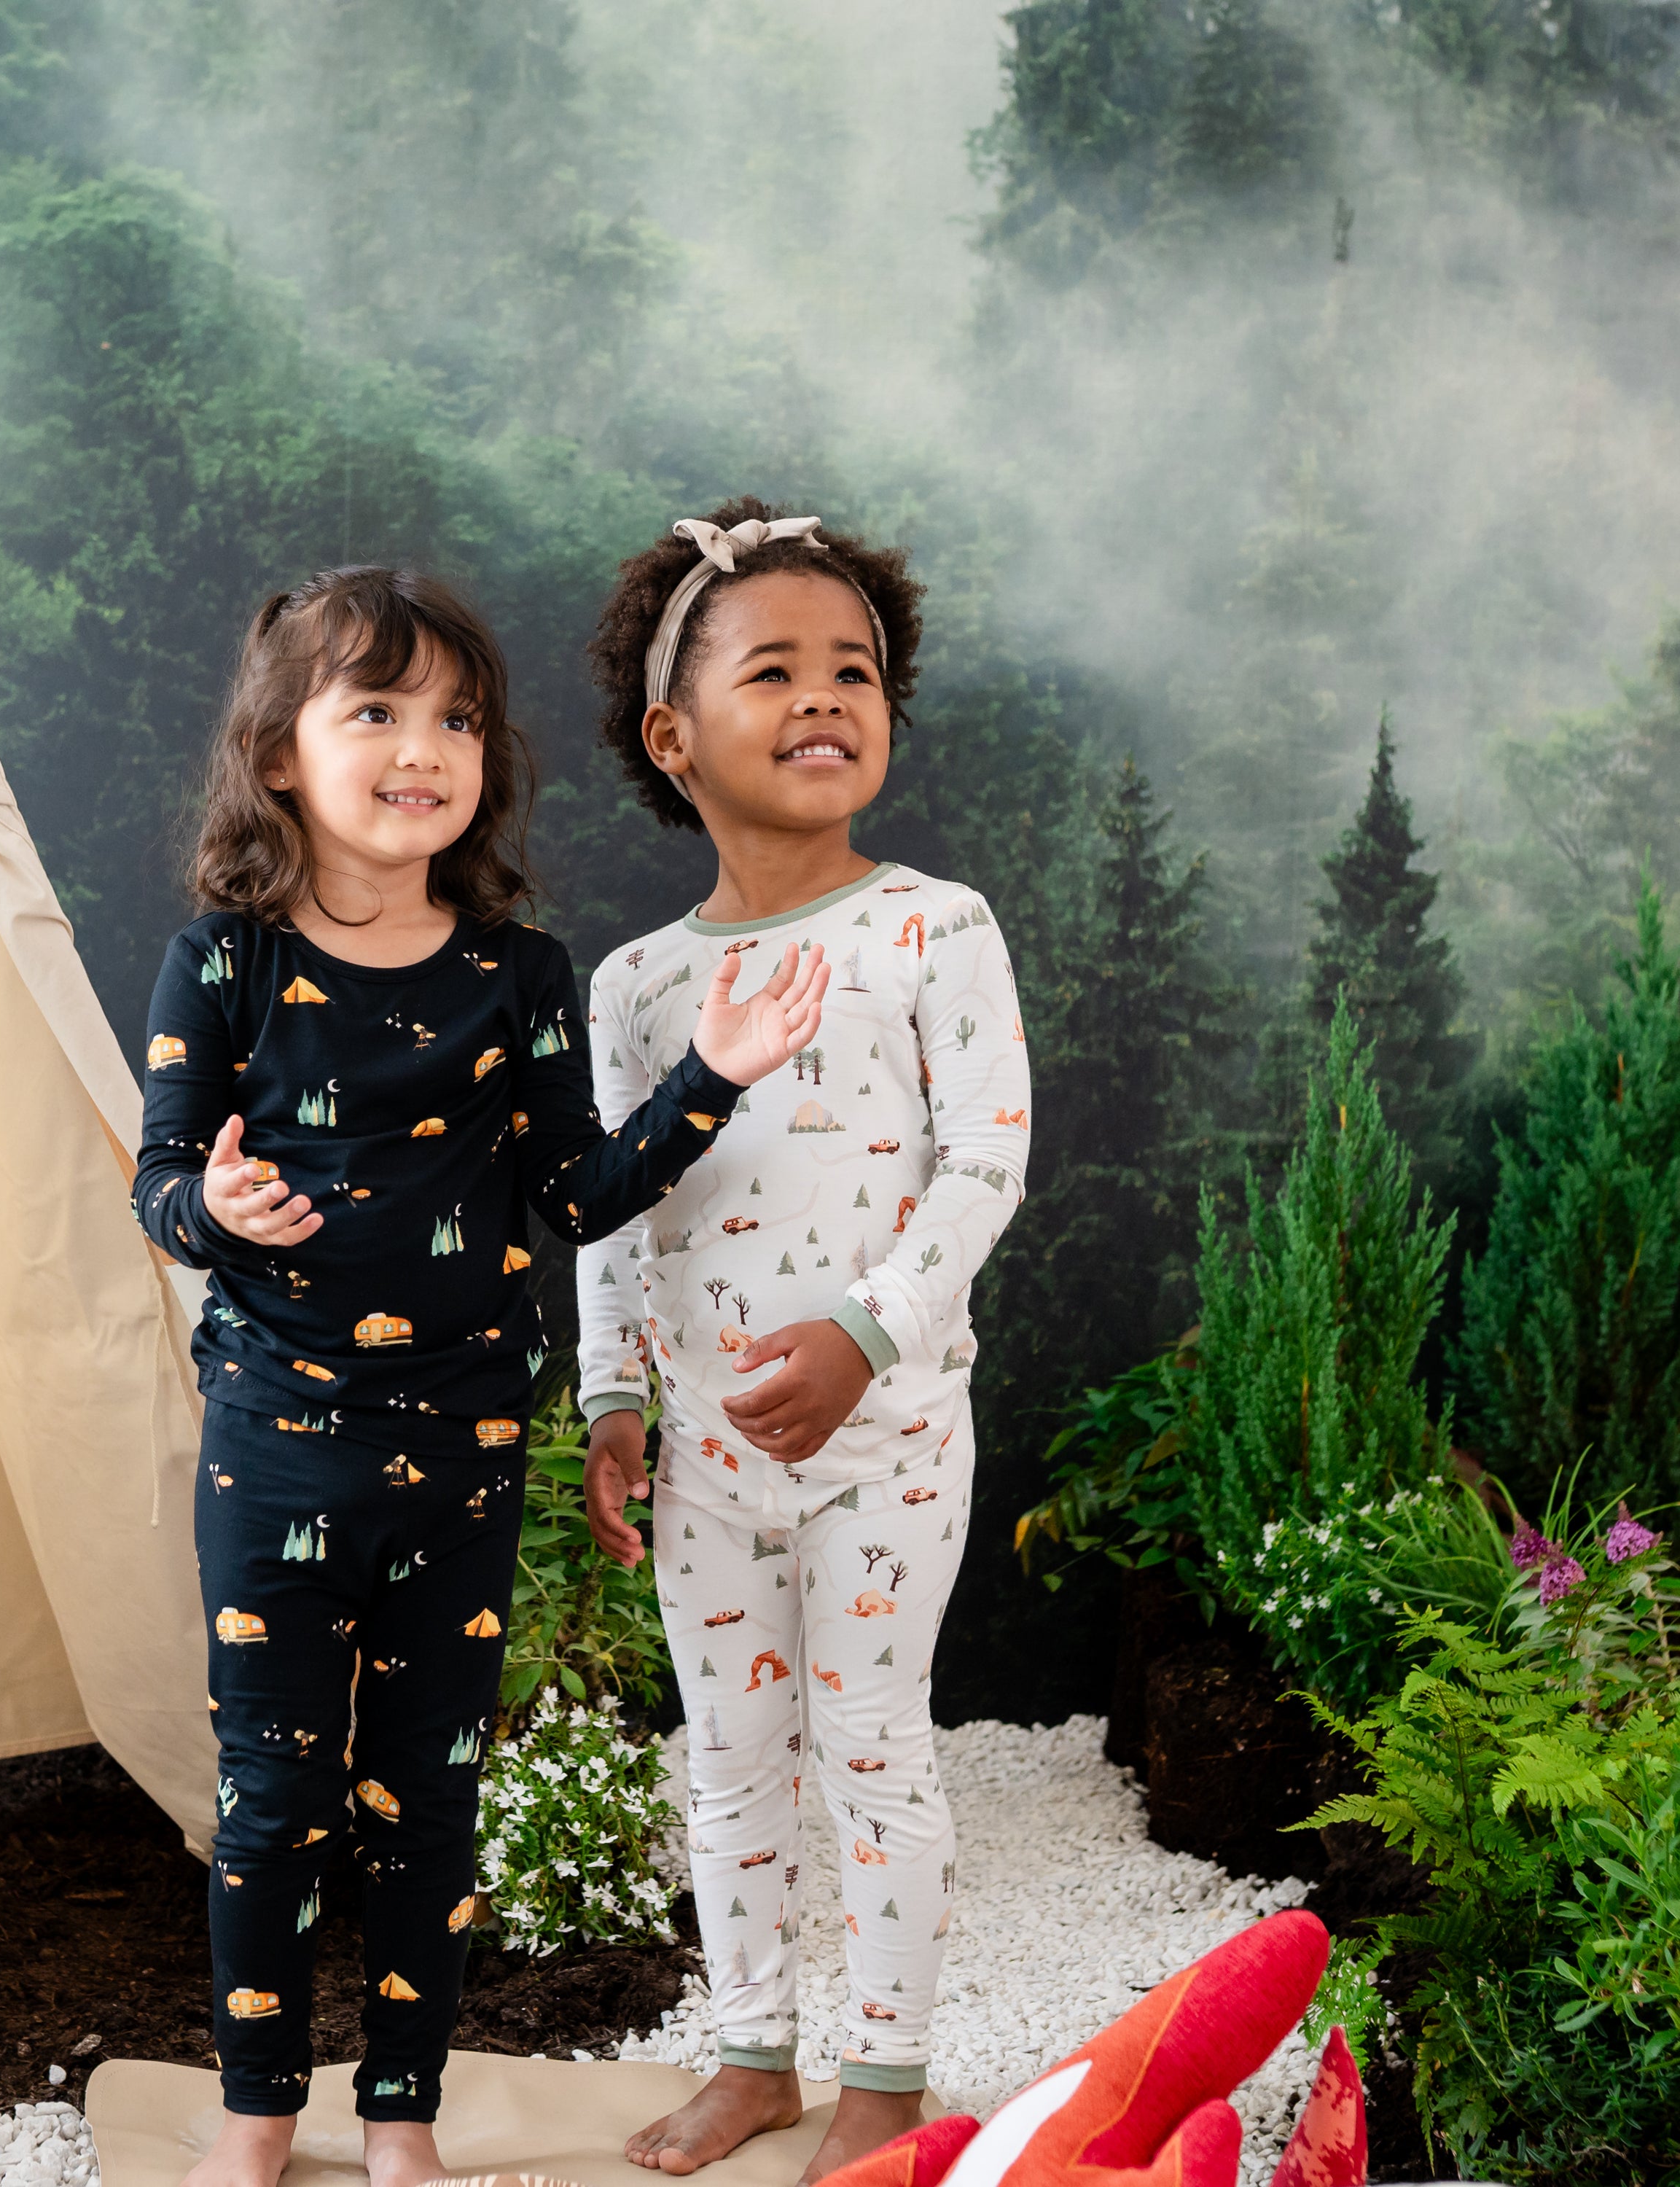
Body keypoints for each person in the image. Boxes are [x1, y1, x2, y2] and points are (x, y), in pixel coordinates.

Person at [132, 564, 830, 2187]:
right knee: (269, 1812)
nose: (420, 746)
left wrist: (713, 1077)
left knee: (425, 1817)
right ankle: (253, 2121)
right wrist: (215, 1207)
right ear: (281, 751)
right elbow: (163, 1179)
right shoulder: (220, 965)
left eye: (454, 717)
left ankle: (399, 2123)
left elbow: (582, 1193)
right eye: (373, 709)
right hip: (275, 1458)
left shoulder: (516, 975)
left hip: (461, 1457)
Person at [574, 504, 1031, 2184]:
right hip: (704, 1457)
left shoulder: (933, 928)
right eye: (775, 669)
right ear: (673, 736)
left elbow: (986, 1161)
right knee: (726, 1763)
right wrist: (614, 1398)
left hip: (886, 1443)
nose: (829, 694)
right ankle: (753, 2053)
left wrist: (862, 1335)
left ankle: (886, 2083)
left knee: (874, 1750)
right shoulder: (632, 989)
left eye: (857, 668)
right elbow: (611, 1210)